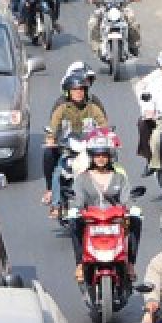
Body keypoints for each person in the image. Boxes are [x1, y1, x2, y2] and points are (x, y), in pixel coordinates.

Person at [70, 133, 140, 281]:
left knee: (136, 220)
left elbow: (126, 199)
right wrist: (75, 209)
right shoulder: (82, 179)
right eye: (97, 155)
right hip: (91, 220)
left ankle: (130, 264)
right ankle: (80, 264)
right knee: (73, 223)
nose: (101, 158)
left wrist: (132, 208)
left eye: (104, 155)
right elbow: (79, 199)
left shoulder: (119, 178)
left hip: (115, 220)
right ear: (92, 157)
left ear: (110, 156)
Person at [43, 72, 108, 217]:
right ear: (68, 92)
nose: (78, 93)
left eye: (81, 90)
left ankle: (113, 198)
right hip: (68, 151)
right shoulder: (61, 110)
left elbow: (104, 126)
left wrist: (106, 135)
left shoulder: (93, 108)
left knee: (109, 165)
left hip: (89, 150)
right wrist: (51, 139)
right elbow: (52, 128)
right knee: (60, 171)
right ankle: (56, 204)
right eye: (75, 90)